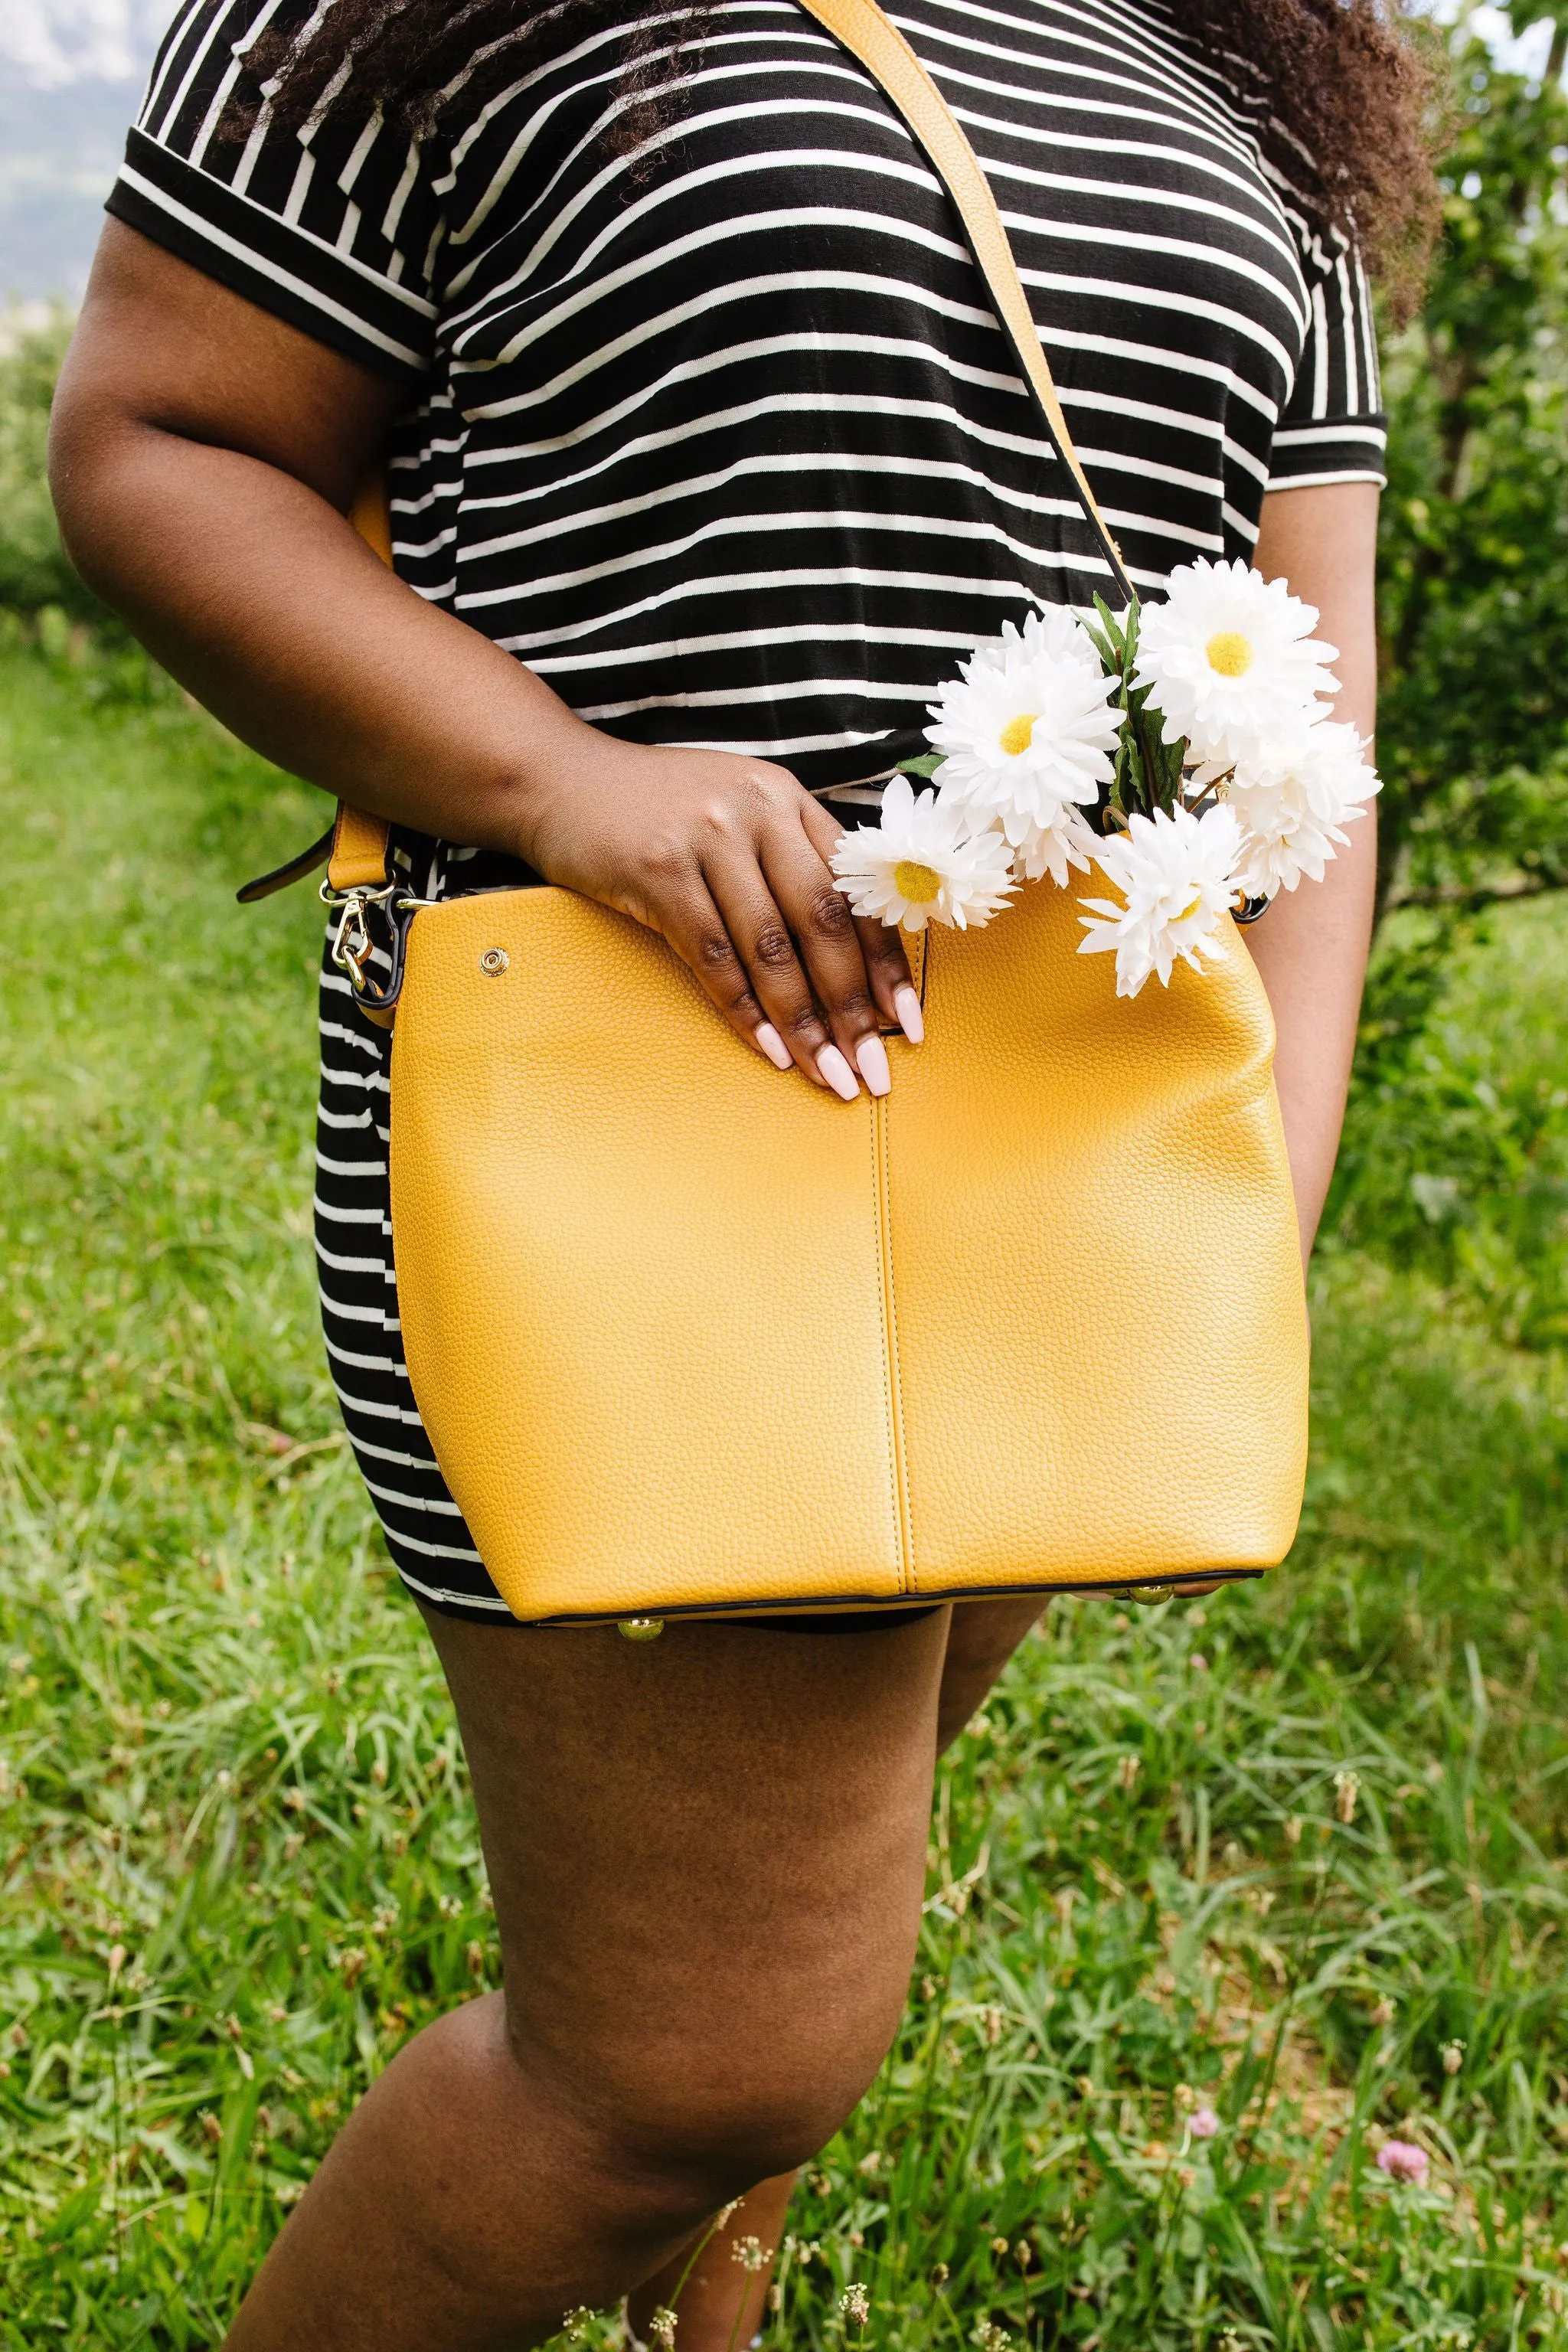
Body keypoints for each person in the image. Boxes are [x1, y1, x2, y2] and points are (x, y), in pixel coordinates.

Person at [49, 0, 1433, 2340]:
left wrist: (1251, 1218)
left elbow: (1316, 716)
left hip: (1069, 1163)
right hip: (638, 1148)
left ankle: (711, 2266)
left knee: (807, 1907)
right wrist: (565, 774)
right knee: (691, 2058)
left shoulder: (1251, 55)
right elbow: (161, 444)